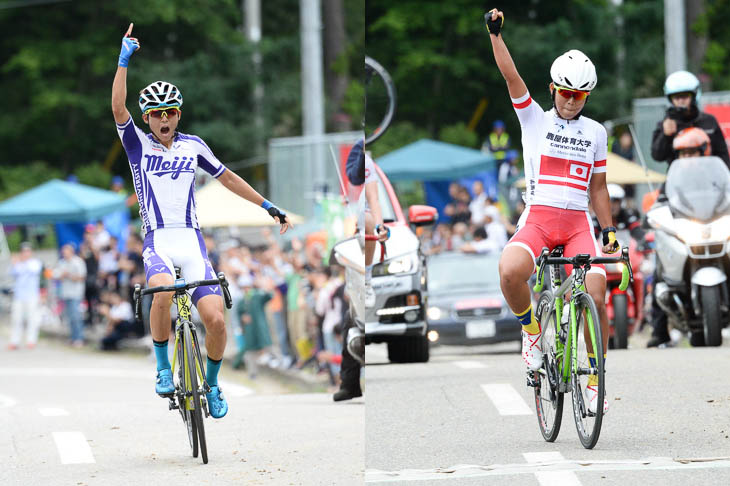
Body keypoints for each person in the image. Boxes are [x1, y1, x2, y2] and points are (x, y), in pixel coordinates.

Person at [111, 23, 292, 418]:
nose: (164, 119)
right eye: (156, 113)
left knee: (216, 320)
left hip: (192, 241)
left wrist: (267, 206)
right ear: (147, 118)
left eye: (170, 112)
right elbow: (118, 109)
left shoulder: (194, 145)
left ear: (177, 115)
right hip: (158, 239)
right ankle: (162, 368)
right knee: (161, 289)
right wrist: (123, 62)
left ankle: (211, 385)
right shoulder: (137, 144)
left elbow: (227, 177)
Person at [486, 8, 617, 414]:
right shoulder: (533, 121)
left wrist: (609, 231)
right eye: (566, 92)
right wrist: (495, 35)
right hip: (539, 219)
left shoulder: (596, 132)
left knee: (596, 296)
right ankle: (531, 333)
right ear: (553, 89)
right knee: (509, 271)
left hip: (578, 222)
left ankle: (595, 381)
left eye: (580, 96)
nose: (572, 101)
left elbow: (598, 188)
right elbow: (511, 77)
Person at [647, 127, 712, 347]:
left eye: (692, 152)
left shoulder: (714, 176)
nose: (688, 157)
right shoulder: (672, 180)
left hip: (713, 233)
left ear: (703, 152)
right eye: (684, 153)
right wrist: (656, 213)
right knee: (660, 271)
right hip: (686, 235)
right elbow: (660, 202)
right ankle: (659, 330)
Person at [651, 70, 730, 168]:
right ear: (670, 99)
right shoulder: (666, 123)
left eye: (684, 96)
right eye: (676, 97)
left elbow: (723, 156)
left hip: (707, 178)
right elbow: (657, 156)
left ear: (694, 96)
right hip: (678, 180)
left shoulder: (709, 121)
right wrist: (665, 136)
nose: (680, 101)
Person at [9, 242, 44, 350]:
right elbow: (12, 273)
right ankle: (15, 341)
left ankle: (31, 340)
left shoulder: (35, 263)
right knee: (16, 319)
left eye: (27, 251)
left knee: (32, 319)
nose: (25, 253)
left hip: (32, 295)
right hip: (19, 295)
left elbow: (33, 270)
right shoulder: (17, 263)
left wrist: (21, 262)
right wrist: (16, 262)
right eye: (24, 251)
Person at [53, 243, 87, 348]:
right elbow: (56, 275)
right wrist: (61, 276)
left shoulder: (78, 262)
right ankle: (73, 338)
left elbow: (82, 277)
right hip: (65, 293)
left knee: (76, 316)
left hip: (76, 293)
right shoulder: (61, 263)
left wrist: (69, 275)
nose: (64, 254)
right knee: (70, 317)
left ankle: (79, 338)